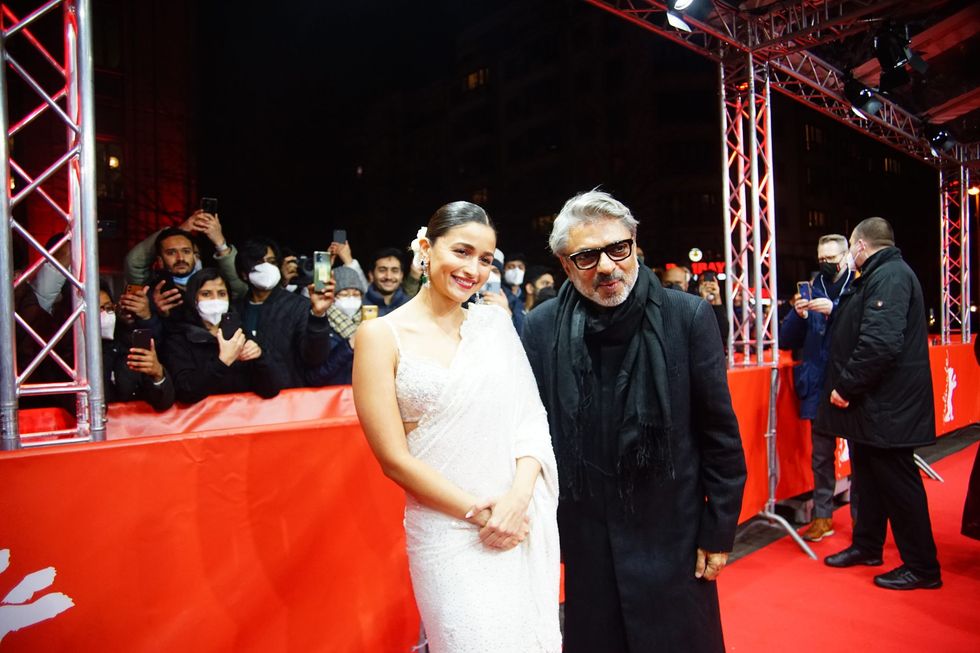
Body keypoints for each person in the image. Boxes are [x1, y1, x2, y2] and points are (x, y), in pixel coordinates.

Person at [521, 190, 746, 652]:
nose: (606, 266)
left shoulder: (688, 316)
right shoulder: (541, 328)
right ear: (565, 264)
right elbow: (530, 434)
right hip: (587, 542)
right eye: (587, 256)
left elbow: (720, 435)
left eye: (617, 249)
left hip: (674, 538)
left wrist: (718, 529)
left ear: (635, 245)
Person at [353, 201, 561, 652]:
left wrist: (517, 500)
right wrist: (481, 513)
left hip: (517, 520)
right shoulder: (379, 337)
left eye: (486, 259)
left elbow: (531, 420)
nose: (474, 269)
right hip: (448, 535)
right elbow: (393, 459)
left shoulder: (495, 325)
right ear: (426, 249)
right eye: (462, 252)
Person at [817, 217, 942, 590]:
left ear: (859, 246)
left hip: (887, 405)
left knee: (898, 485)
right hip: (875, 407)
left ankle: (922, 566)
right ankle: (867, 545)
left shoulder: (889, 276)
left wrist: (847, 387)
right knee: (868, 480)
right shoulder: (874, 276)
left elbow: (880, 343)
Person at [779, 234, 855, 542]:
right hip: (816, 385)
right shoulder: (810, 290)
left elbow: (864, 331)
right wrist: (798, 316)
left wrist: (834, 311)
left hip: (851, 385)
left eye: (831, 258)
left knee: (860, 458)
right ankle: (823, 517)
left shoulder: (857, 287)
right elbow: (785, 340)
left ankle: (863, 523)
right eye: (821, 258)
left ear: (846, 257)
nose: (825, 264)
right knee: (820, 457)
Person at [161, 268, 280, 404]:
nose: (215, 300)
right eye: (206, 294)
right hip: (202, 421)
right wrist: (222, 362)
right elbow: (185, 392)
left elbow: (271, 390)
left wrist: (260, 357)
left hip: (243, 419)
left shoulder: (239, 333)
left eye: (222, 294)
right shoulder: (178, 338)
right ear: (193, 299)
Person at [232, 237, 334, 389]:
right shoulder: (234, 310)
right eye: (259, 263)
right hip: (242, 402)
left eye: (272, 262)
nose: (267, 267)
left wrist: (318, 316)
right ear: (244, 274)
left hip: (287, 401)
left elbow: (314, 357)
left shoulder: (298, 306)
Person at [98, 284, 175, 410]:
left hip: (138, 428)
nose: (104, 314)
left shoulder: (132, 344)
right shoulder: (70, 358)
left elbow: (163, 402)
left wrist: (158, 375)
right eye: (96, 310)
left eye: (108, 308)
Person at [307, 266, 366, 386]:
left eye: (356, 294)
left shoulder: (370, 322)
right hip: (332, 399)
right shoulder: (318, 323)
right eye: (344, 294)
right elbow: (313, 376)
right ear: (332, 298)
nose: (351, 298)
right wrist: (348, 347)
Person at [364, 247, 411, 316]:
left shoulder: (412, 306)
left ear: (401, 276)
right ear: (371, 275)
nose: (388, 277)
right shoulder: (358, 305)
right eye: (382, 270)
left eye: (395, 271)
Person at [697, 270, 729, 351]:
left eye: (711, 282)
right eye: (703, 282)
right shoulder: (692, 302)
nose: (707, 285)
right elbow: (700, 332)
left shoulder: (726, 300)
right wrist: (703, 299)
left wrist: (717, 297)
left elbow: (724, 333)